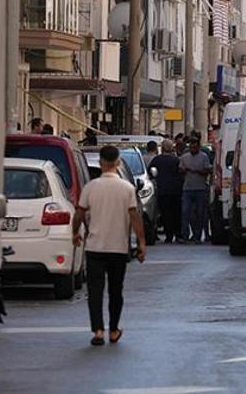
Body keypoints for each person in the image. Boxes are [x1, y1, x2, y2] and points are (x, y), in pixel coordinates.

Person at [72, 146, 146, 346]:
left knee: (95, 291)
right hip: (118, 248)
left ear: (101, 163)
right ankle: (113, 330)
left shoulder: (90, 187)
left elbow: (79, 214)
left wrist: (74, 233)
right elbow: (134, 216)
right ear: (118, 163)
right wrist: (141, 242)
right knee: (116, 290)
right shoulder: (127, 189)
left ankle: (97, 331)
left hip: (95, 247)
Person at [149, 139, 183, 243]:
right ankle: (178, 234)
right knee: (176, 213)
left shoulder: (156, 160)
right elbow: (181, 172)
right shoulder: (176, 160)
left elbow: (151, 172)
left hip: (163, 190)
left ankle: (169, 235)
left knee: (165, 213)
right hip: (176, 190)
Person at [179, 137, 211, 243]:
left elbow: (207, 170)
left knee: (200, 213)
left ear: (198, 146)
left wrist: (197, 171)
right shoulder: (184, 157)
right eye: (191, 146)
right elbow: (180, 170)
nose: (193, 148)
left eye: (195, 146)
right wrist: (184, 170)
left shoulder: (204, 157)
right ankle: (185, 235)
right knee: (185, 212)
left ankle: (197, 235)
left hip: (200, 188)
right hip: (187, 188)